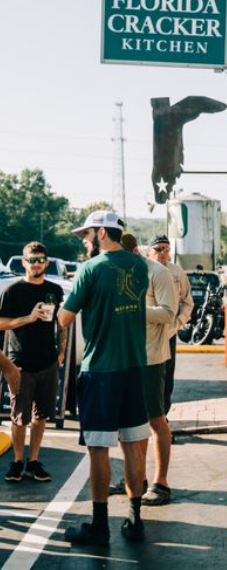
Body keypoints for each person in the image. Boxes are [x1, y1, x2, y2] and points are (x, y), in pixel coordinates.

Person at [58, 211, 151, 545]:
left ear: (101, 233)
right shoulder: (139, 265)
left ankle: (99, 526)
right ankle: (135, 519)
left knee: (98, 448)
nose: (84, 240)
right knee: (133, 446)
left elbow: (65, 318)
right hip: (135, 367)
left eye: (86, 234)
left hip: (100, 371)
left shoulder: (90, 269)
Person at [118, 234, 178, 507]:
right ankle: (135, 478)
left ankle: (161, 482)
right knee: (131, 422)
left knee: (156, 420)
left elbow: (168, 313)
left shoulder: (159, 273)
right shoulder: (119, 273)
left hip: (152, 358)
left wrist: (134, 310)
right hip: (125, 358)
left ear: (134, 251)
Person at [0, 242, 66, 484]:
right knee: (19, 417)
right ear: (23, 262)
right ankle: (17, 461)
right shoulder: (13, 291)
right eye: (31, 259)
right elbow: (1, 323)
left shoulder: (55, 290)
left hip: (48, 362)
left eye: (40, 259)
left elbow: (61, 323)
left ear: (47, 262)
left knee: (41, 416)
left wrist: (61, 352)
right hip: (21, 363)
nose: (36, 264)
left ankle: (34, 461)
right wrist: (27, 318)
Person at [147, 236, 192, 419]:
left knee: (166, 379)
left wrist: (179, 322)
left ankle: (162, 418)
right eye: (158, 249)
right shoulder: (142, 270)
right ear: (148, 251)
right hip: (147, 334)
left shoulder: (176, 272)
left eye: (167, 249)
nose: (163, 253)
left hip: (168, 333)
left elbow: (187, 302)